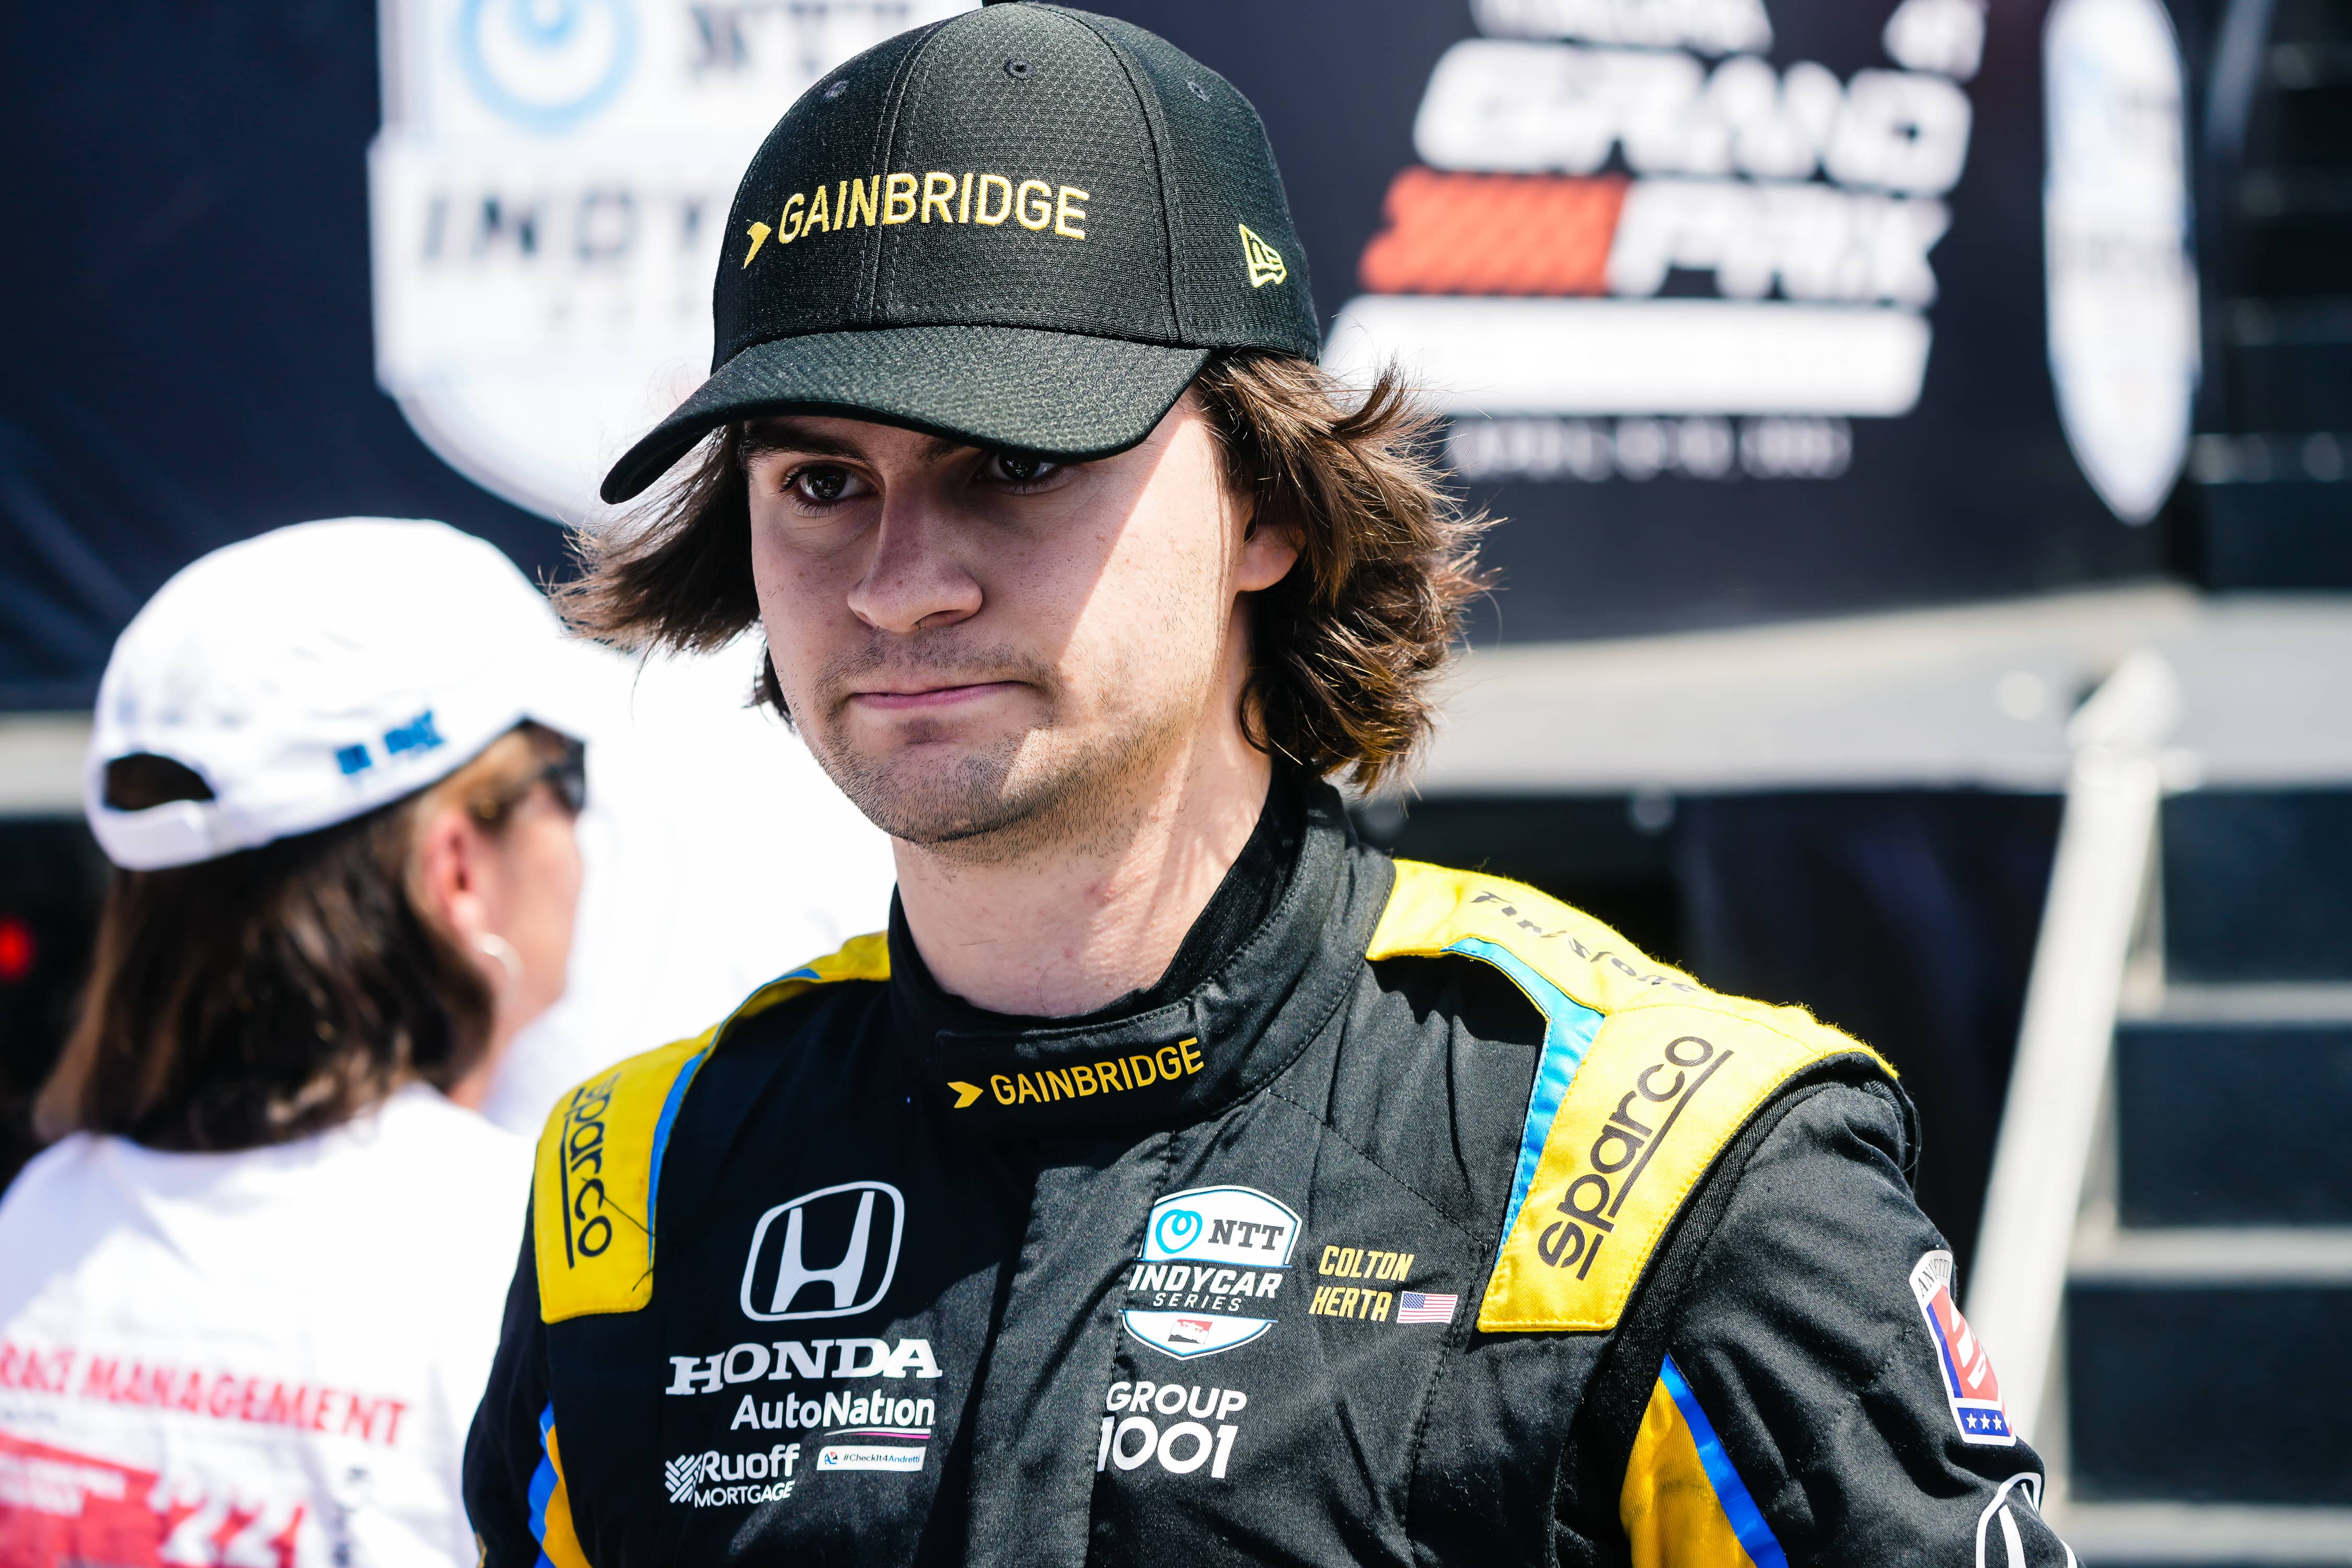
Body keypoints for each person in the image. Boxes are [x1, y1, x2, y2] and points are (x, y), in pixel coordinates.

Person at [463, 6, 2079, 1564]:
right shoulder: (639, 1189)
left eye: (1014, 460)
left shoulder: (1665, 1166)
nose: (897, 584)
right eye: (820, 481)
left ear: (1270, 509)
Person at [0, 518, 595, 1568]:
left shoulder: (42, 1222)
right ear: (457, 866)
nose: (584, 835)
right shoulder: (539, 1255)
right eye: (565, 782)